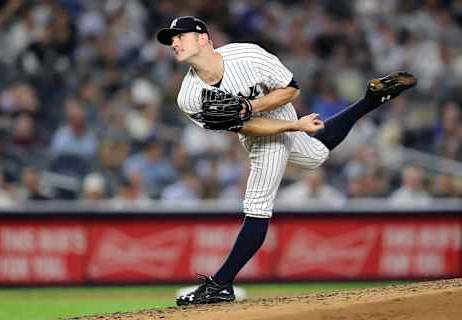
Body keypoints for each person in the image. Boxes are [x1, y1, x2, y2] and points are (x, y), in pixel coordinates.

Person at [156, 16, 416, 305]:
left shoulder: (248, 55)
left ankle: (221, 283)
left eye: (180, 36)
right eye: (171, 39)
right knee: (315, 156)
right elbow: (245, 126)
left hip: (278, 110)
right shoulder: (189, 97)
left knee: (257, 204)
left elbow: (292, 89)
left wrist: (251, 107)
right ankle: (370, 100)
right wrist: (295, 127)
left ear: (203, 38)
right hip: (257, 131)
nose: (174, 42)